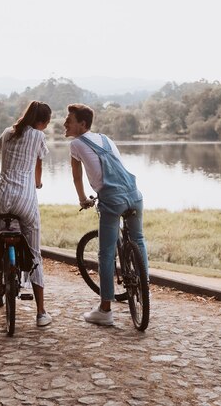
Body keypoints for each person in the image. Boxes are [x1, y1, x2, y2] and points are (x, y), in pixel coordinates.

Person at [64, 103, 149, 326]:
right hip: (134, 194)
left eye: (69, 120)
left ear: (82, 125)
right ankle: (143, 285)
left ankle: (105, 310)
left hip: (112, 199)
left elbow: (77, 177)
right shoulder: (106, 138)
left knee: (106, 253)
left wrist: (83, 199)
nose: (65, 123)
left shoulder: (75, 144)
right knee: (138, 240)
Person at [0, 100, 52, 327]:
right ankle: (41, 313)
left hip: (3, 197)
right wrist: (37, 183)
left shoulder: (8, 133)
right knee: (35, 254)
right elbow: (38, 166)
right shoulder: (38, 137)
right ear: (41, 122)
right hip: (26, 201)